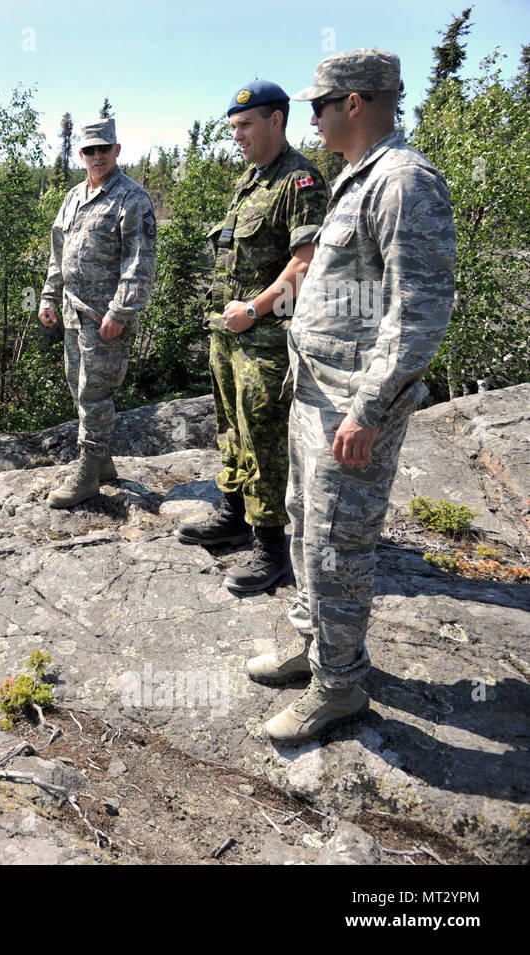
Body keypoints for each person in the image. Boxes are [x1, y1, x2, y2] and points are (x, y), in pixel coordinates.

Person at [249, 50, 456, 743]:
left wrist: (369, 409)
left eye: (319, 104)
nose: (312, 116)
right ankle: (315, 651)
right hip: (315, 393)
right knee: (307, 527)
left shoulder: (404, 182)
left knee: (339, 546)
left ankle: (338, 687)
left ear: (356, 103)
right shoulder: (353, 179)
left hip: (351, 407)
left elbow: (418, 312)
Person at [177, 81, 328, 596]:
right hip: (231, 334)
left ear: (277, 121)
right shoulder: (253, 179)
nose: (236, 136)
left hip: (265, 336)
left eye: (245, 125)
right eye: (232, 127)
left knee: (264, 438)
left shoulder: (300, 179)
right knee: (231, 429)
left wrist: (253, 308)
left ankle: (272, 549)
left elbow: (306, 262)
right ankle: (234, 515)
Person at [39, 116, 157, 508]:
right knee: (79, 387)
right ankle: (102, 462)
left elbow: (139, 261)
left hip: (106, 317)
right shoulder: (74, 197)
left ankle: (87, 475)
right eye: (89, 150)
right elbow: (59, 252)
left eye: (103, 149)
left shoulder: (131, 198)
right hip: (73, 313)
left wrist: (120, 311)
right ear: (81, 154)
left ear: (116, 150)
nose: (96, 156)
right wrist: (48, 297)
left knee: (95, 393)